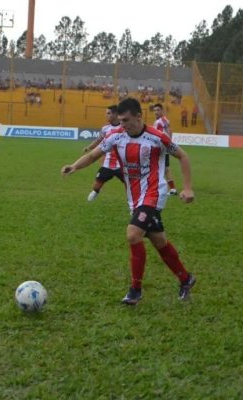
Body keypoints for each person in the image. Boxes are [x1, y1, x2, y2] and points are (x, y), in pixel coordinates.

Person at [61, 98, 196, 305]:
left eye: (126, 120)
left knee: (133, 234)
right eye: (120, 121)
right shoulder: (116, 136)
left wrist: (187, 188)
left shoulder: (156, 137)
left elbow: (183, 156)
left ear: (139, 117)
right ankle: (186, 279)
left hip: (153, 193)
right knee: (159, 241)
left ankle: (135, 290)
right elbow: (95, 155)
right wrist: (74, 166)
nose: (122, 125)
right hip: (134, 197)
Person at [83, 105, 124, 201]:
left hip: (122, 164)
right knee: (96, 187)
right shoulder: (105, 128)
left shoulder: (124, 127)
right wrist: (89, 147)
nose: (106, 115)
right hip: (107, 163)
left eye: (108, 113)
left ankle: (133, 204)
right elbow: (98, 140)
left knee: (130, 185)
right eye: (106, 113)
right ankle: (97, 191)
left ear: (115, 114)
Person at [153, 103, 178, 195]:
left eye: (158, 110)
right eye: (155, 110)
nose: (156, 112)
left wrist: (168, 144)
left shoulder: (162, 120)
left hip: (163, 147)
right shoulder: (158, 121)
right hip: (159, 148)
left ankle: (172, 189)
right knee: (160, 168)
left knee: (165, 168)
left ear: (162, 111)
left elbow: (168, 132)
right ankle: (165, 188)